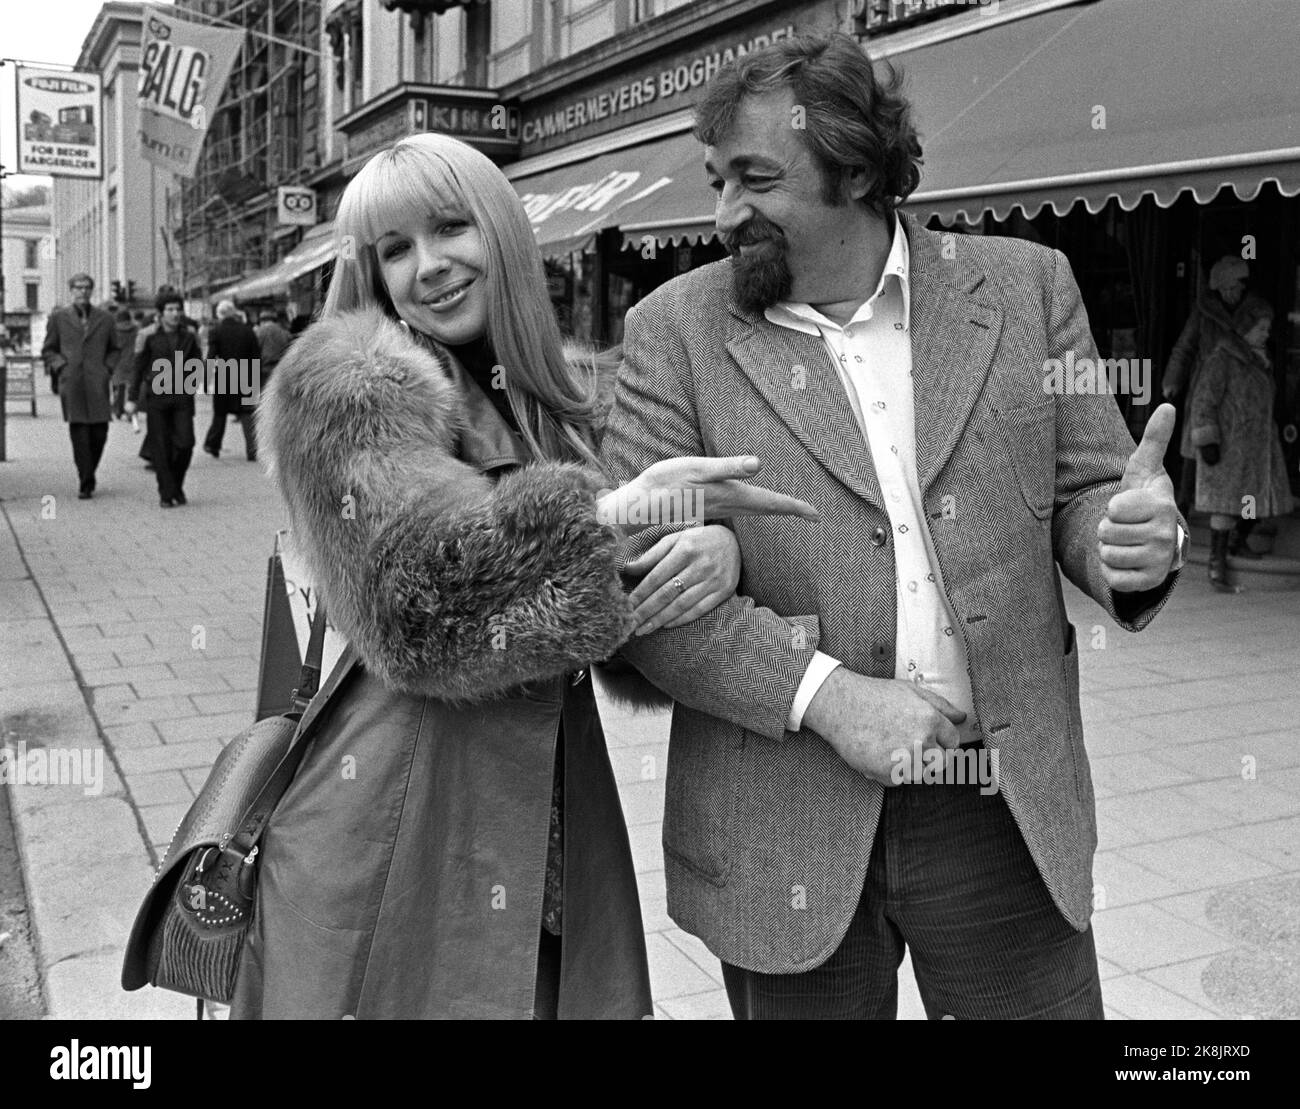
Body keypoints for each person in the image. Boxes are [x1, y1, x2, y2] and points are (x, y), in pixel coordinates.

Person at [600, 32, 1187, 1020]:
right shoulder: (671, 331)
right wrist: (828, 696)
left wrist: (1125, 542)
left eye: (757, 178)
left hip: (999, 811)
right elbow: (638, 590)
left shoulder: (1027, 289)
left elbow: (1089, 487)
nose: (724, 212)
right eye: (717, 179)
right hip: (781, 816)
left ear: (860, 170)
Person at [234, 131, 815, 1019]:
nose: (427, 267)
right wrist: (610, 516)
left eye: (449, 229)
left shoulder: (562, 395)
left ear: (501, 233)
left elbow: (612, 637)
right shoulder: (343, 382)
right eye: (395, 249)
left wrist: (704, 548)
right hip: (394, 818)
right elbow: (419, 607)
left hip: (548, 811)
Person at [1190, 295, 1294, 592]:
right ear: (1246, 328)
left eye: (1267, 328)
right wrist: (1207, 439)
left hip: (1257, 446)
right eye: (1261, 328)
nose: (1266, 333)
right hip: (1230, 445)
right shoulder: (1223, 358)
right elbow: (1204, 400)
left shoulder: (1260, 358)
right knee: (1226, 506)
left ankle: (1239, 541)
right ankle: (1216, 563)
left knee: (1253, 501)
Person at [1164, 255, 1249, 521]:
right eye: (1235, 286)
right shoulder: (1204, 313)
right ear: (1222, 286)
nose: (1239, 292)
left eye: (1241, 287)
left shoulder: (1249, 313)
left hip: (1237, 392)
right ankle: (1183, 507)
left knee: (1231, 449)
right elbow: (1185, 348)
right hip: (1206, 390)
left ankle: (1229, 515)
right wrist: (1172, 381)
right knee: (1194, 448)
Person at [41, 274, 122, 499]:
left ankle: (90, 471)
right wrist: (61, 366)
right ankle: (85, 481)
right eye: (78, 288)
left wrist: (107, 368)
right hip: (73, 382)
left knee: (99, 433)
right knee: (79, 434)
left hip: (97, 382)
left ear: (92, 290)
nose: (82, 292)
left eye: (87, 288)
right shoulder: (58, 318)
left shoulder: (105, 318)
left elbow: (115, 349)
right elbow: (48, 350)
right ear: (71, 290)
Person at [128, 291, 200, 507]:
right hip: (157, 399)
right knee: (160, 447)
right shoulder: (147, 335)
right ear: (160, 313)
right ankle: (166, 493)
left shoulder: (190, 335)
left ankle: (176, 484)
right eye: (170, 309)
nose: (175, 314)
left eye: (178, 309)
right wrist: (131, 399)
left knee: (186, 443)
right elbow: (138, 368)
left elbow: (197, 363)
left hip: (182, 398)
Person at [203, 299, 260, 460]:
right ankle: (252, 449)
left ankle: (212, 445)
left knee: (220, 413)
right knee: (246, 413)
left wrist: (206, 381)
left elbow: (211, 357)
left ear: (220, 314)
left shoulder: (216, 331)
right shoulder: (248, 331)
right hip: (246, 376)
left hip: (224, 376)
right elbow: (256, 356)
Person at [107, 308, 138, 419]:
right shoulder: (137, 330)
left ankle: (118, 410)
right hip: (133, 361)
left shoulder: (113, 331)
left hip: (117, 362)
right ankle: (131, 410)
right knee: (132, 386)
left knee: (117, 386)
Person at [253, 308, 292, 383]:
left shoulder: (259, 332)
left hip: (264, 369)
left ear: (262, 320)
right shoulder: (284, 332)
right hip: (280, 369)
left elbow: (255, 350)